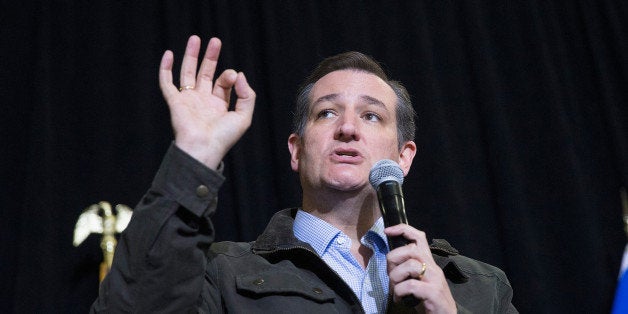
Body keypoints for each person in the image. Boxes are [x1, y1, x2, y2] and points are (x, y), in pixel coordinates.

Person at [91, 35, 517, 313]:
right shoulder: (224, 274)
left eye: (371, 116)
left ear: (403, 157)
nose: (347, 128)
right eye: (327, 112)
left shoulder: (477, 286)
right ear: (296, 150)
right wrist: (194, 156)